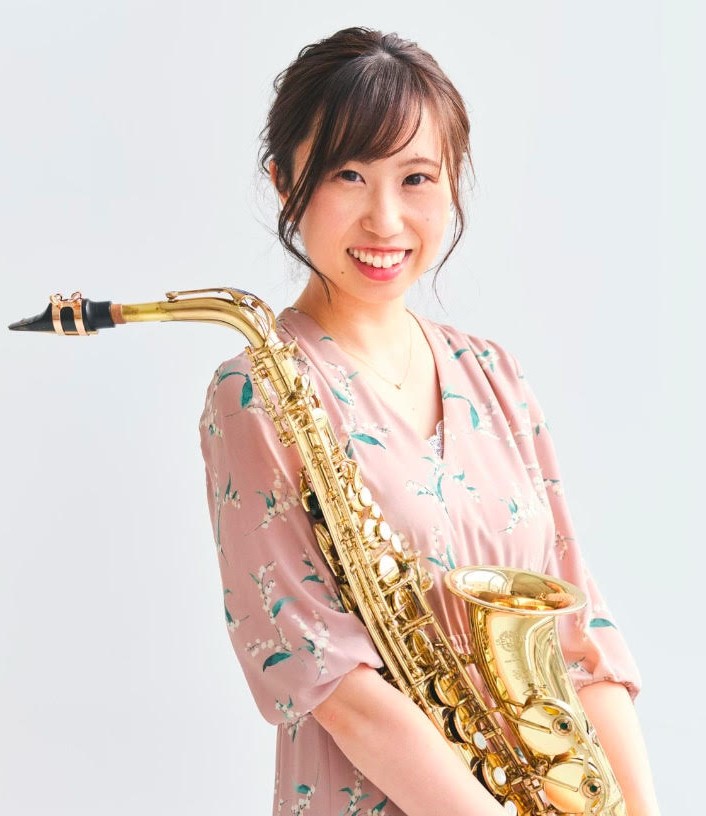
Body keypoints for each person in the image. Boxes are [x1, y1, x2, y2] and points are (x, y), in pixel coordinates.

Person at [199, 27, 659, 816]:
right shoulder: (255, 393)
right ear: (284, 180)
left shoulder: (494, 372)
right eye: (348, 174)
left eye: (416, 178)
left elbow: (582, 643)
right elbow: (336, 686)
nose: (386, 220)